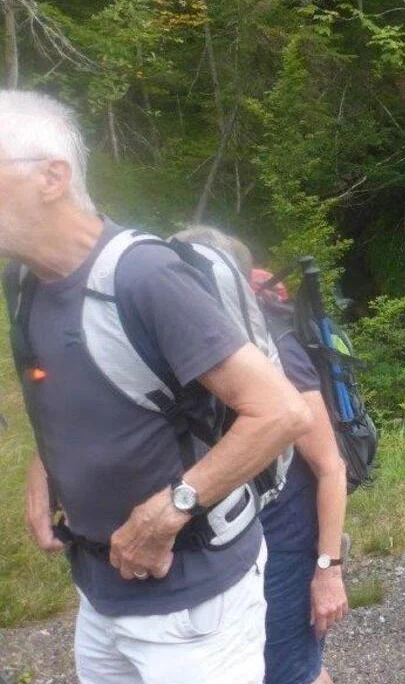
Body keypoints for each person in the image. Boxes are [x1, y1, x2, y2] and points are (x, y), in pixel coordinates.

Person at [3, 91, 310, 682]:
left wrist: (170, 510)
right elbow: (65, 385)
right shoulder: (24, 282)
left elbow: (281, 412)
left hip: (194, 602)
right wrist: (45, 466)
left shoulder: (143, 276)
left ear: (51, 177)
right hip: (100, 588)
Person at [174, 226, 350, 684]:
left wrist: (327, 571)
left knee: (291, 669)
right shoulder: (192, 345)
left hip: (284, 536)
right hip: (230, 532)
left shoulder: (275, 351)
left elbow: (330, 466)